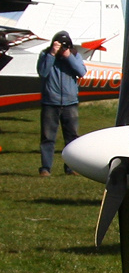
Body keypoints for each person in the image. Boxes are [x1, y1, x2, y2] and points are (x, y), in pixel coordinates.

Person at [37, 30, 85, 176]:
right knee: (47, 137)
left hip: (70, 102)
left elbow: (81, 72)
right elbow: (43, 72)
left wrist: (68, 56)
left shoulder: (75, 55)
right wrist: (52, 54)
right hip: (50, 102)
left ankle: (71, 167)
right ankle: (46, 168)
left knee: (72, 137)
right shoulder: (45, 55)